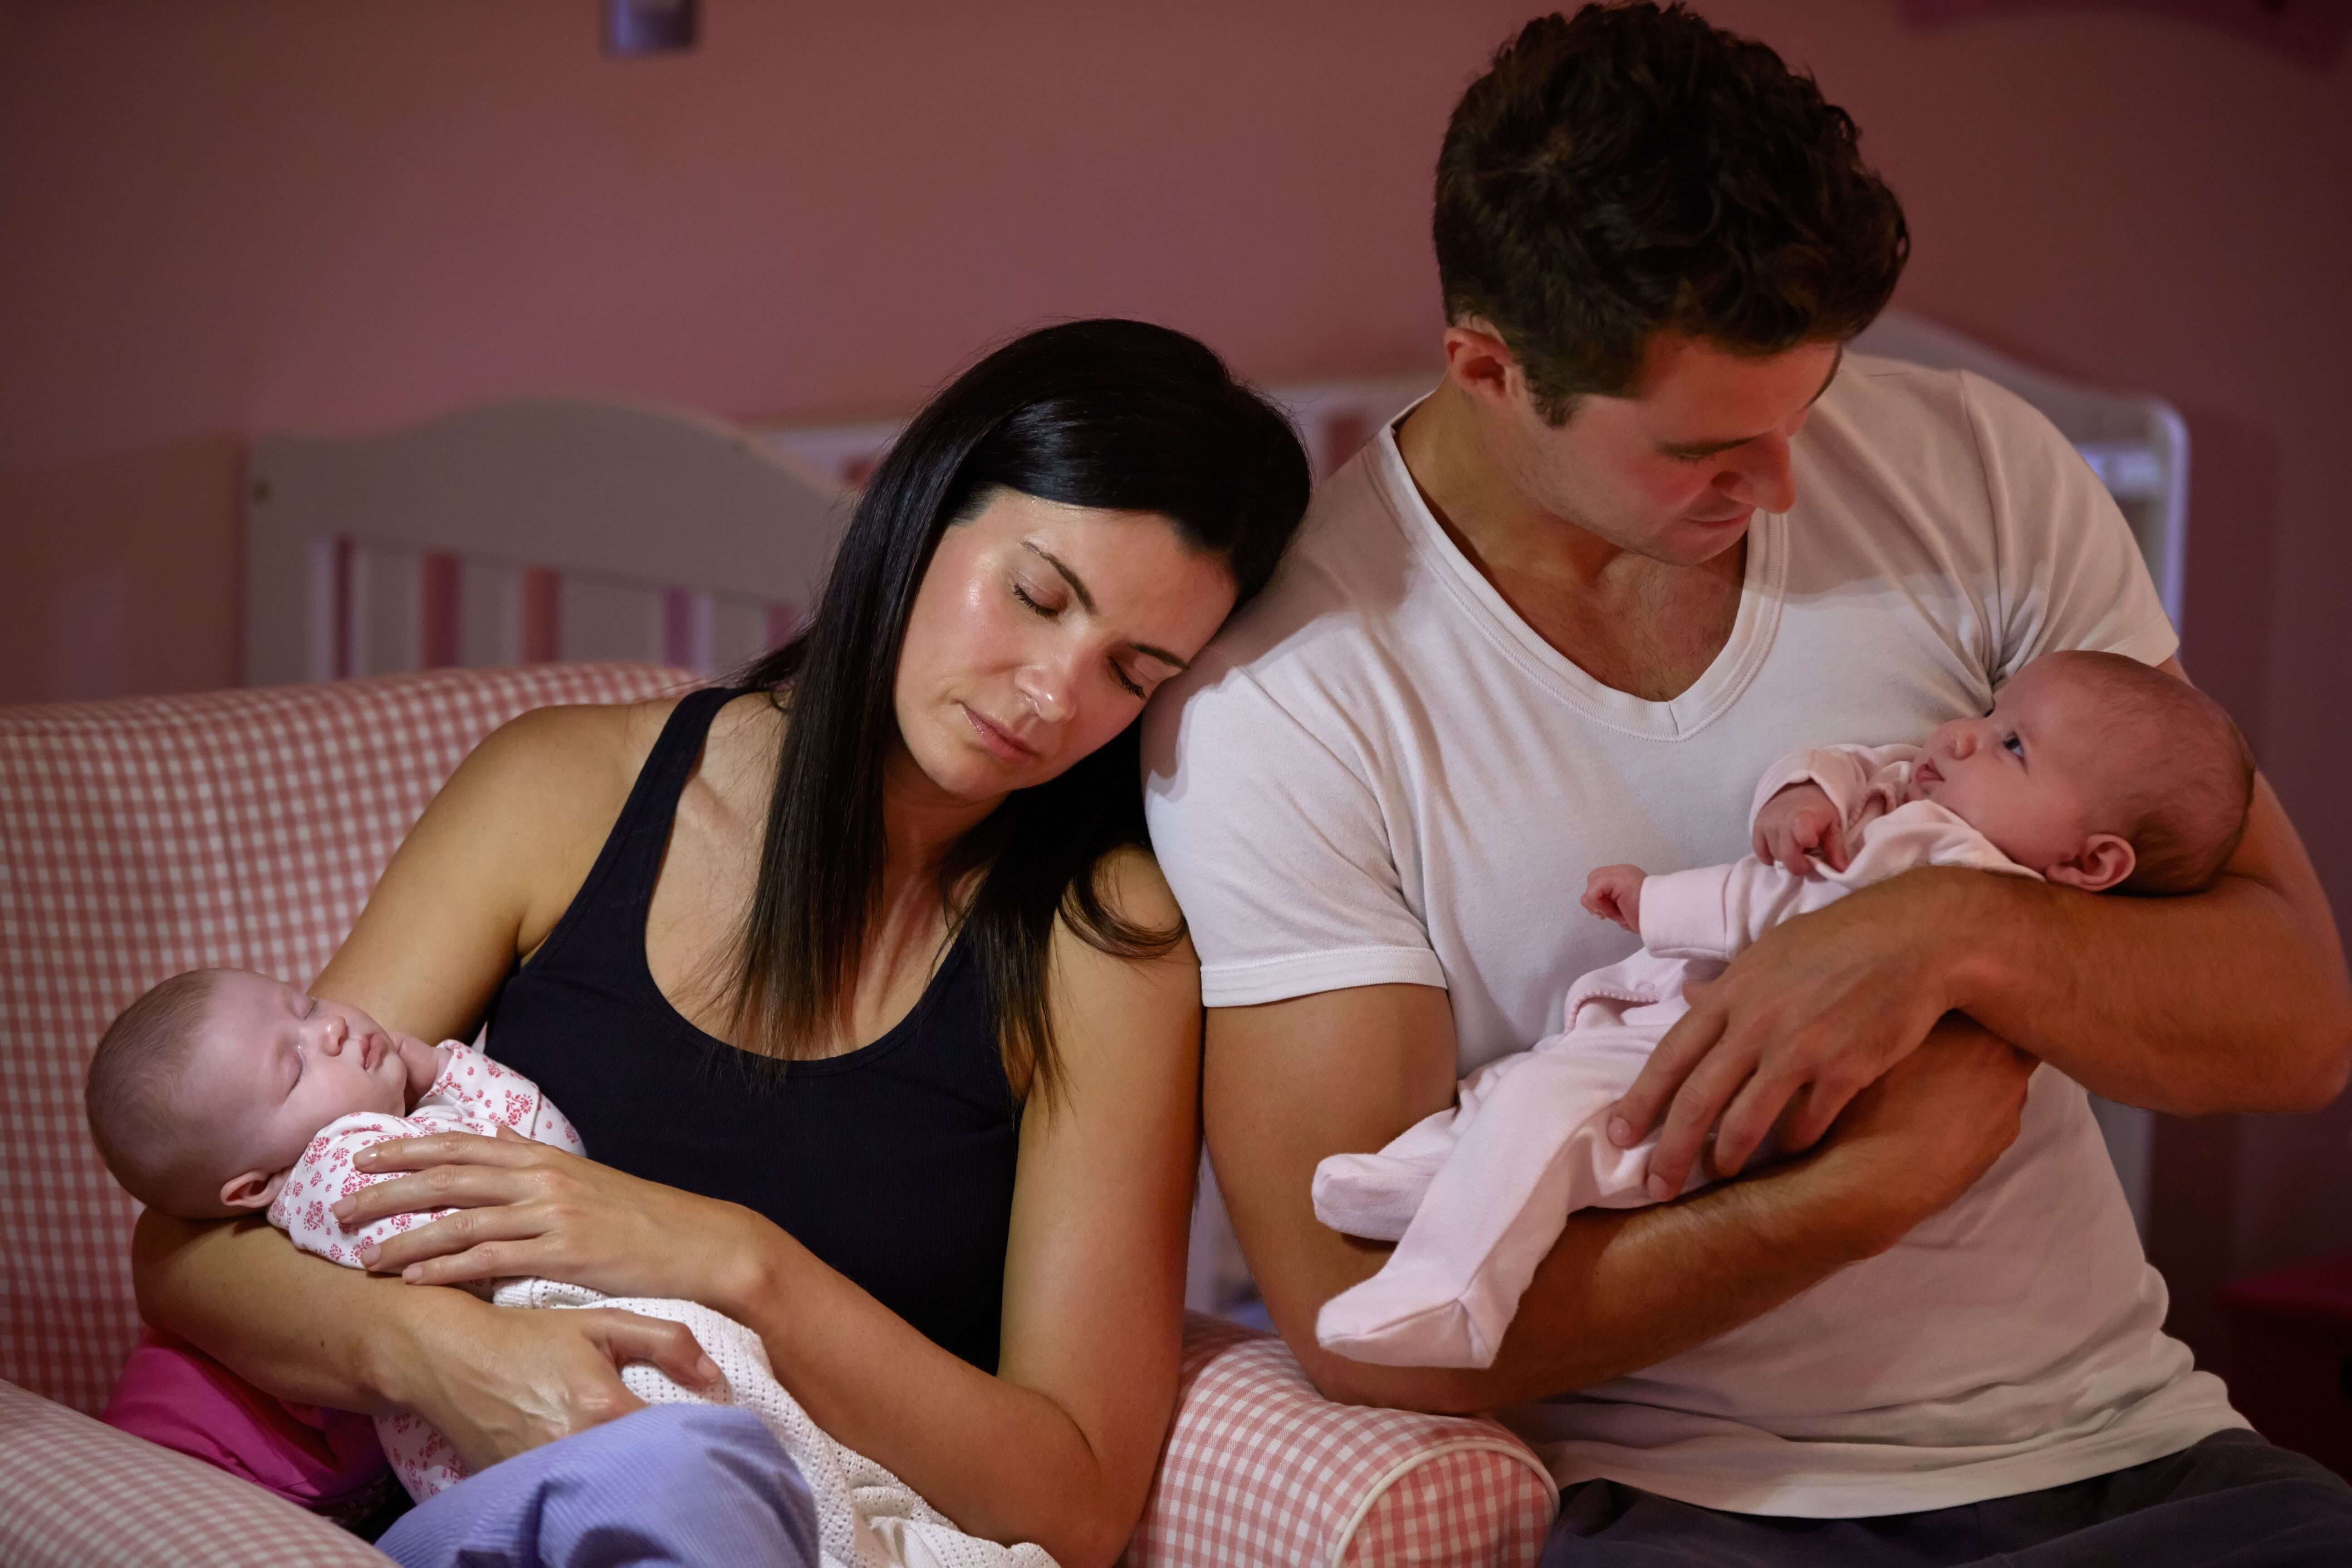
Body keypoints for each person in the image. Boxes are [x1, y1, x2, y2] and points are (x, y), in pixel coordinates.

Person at [1141, 7, 2352, 1563]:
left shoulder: (1980, 469)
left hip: (2133, 1447)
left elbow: (2296, 1018)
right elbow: (1361, 1324)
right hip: (1677, 1505)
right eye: (1706, 449)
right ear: (1488, 369)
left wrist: (1942, 939)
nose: (1784, 484)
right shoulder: (1291, 700)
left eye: (1810, 404)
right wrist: (1859, 1190)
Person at [131, 317, 1312, 1568]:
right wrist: (453, 1357)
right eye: (1036, 595)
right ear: (918, 515)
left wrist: (733, 1259)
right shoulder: (560, 794)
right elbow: (197, 1243)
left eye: (1134, 672)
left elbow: (1072, 1499)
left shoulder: (1103, 940)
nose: (1051, 697)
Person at [1312, 651, 2255, 1369]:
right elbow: (1864, 768)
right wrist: (1807, 791)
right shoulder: (1938, 820)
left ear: (2091, 864)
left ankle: (1455, 1294)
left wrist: (1657, 904)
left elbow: (1785, 912)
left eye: (2012, 746)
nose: (1963, 734)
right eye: (1993, 713)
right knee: (1518, 1094)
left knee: (1549, 1123)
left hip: (1726, 1092)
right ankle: (1426, 1188)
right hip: (1676, 1037)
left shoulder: (1966, 870)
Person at [90, 968, 1049, 1566]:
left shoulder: (396, 1120)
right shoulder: (331, 1180)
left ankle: (868, 1535)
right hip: (526, 1384)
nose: (331, 1031)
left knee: (753, 1420)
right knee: (713, 1445)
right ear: (249, 1187)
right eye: (292, 1066)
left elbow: (550, 1152)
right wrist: (452, 1105)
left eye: (304, 1006)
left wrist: (446, 1072)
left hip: (585, 1317)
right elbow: (494, 1203)